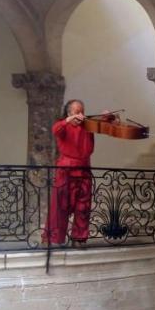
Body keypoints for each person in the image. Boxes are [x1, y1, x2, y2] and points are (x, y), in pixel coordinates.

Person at [42, 99, 94, 248]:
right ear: (69, 113)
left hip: (84, 169)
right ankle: (54, 239)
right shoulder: (62, 125)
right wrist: (68, 120)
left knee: (83, 206)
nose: (80, 115)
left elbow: (105, 125)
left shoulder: (88, 125)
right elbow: (55, 130)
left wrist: (108, 116)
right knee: (60, 205)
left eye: (82, 112)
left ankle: (79, 238)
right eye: (77, 112)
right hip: (66, 170)